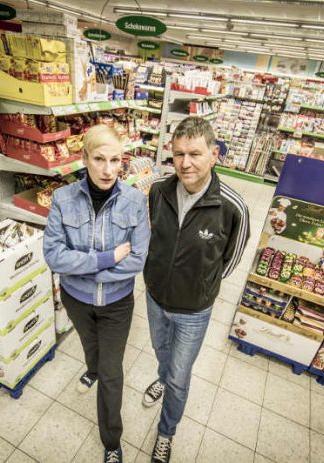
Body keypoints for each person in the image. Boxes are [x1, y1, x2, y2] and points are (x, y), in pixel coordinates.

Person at [142, 116, 250, 463]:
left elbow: (232, 258)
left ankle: (166, 433)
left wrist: (205, 286)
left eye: (195, 154)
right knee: (162, 354)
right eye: (177, 154)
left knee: (178, 377)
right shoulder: (158, 191)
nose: (185, 163)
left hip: (194, 310)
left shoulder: (232, 207)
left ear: (214, 154)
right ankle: (160, 377)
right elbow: (153, 238)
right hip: (155, 297)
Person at [43, 124, 150, 463]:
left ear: (122, 161)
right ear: (84, 158)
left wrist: (85, 267)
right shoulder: (63, 199)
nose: (108, 169)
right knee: (90, 347)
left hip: (117, 302)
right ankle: (92, 369)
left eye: (115, 160)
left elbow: (136, 260)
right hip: (76, 298)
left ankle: (111, 441)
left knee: (112, 371)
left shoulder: (134, 201)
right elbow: (54, 256)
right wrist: (105, 258)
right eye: (99, 159)